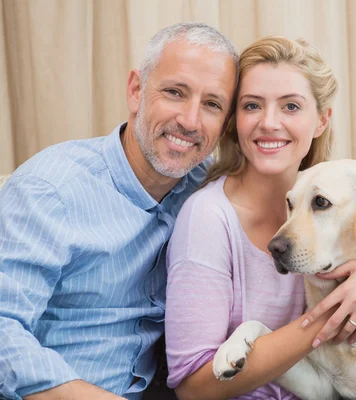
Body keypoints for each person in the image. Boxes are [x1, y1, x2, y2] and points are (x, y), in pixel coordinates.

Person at [164, 36, 356, 400]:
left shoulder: (345, 191)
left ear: (321, 120)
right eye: (252, 106)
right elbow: (194, 389)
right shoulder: (207, 217)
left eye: (291, 106)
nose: (269, 123)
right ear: (236, 120)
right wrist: (334, 315)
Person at [0, 22, 238, 400]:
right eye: (175, 92)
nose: (190, 121)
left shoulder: (211, 192)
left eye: (212, 104)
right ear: (136, 90)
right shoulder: (49, 189)